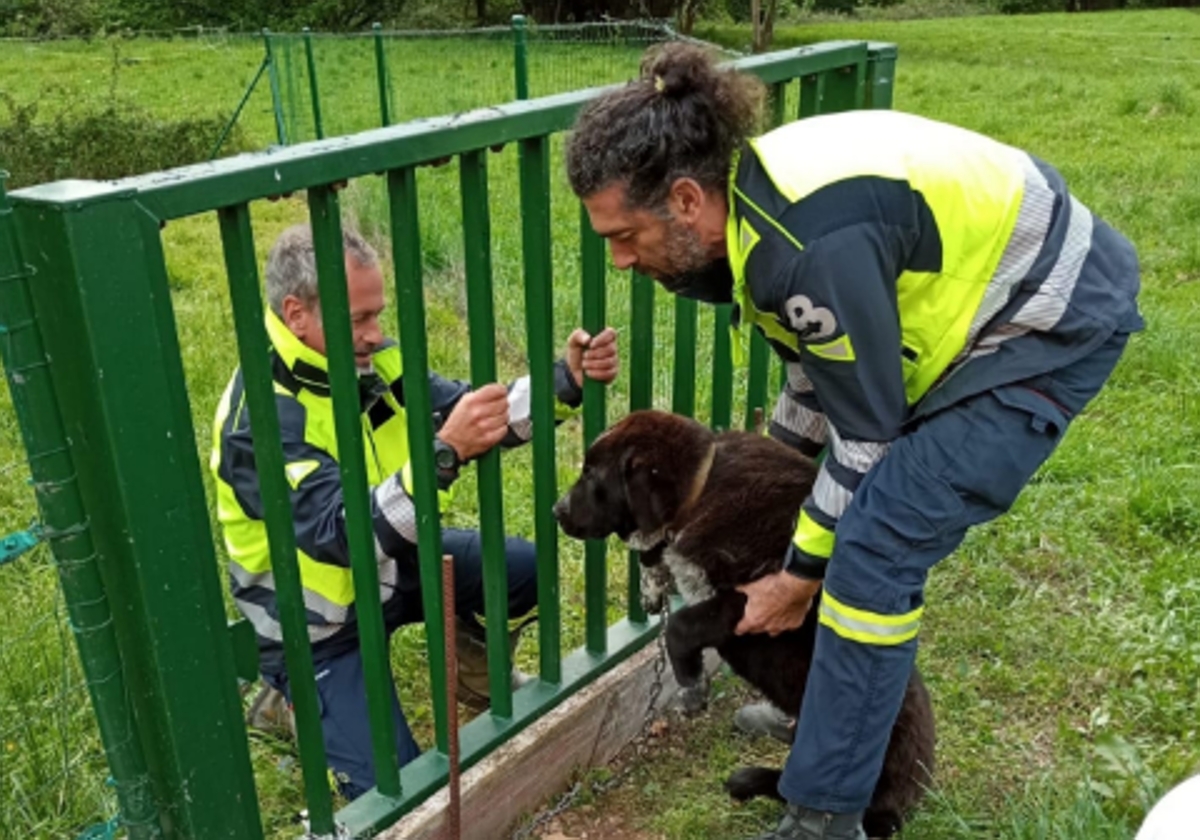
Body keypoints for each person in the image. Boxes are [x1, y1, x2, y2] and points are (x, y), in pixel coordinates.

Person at [566, 44, 1142, 840]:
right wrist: (762, 484)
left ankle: (830, 812)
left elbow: (863, 435)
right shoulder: (756, 220)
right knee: (831, 520)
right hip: (991, 311)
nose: (622, 260)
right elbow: (816, 377)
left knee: (872, 547)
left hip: (1047, 322)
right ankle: (837, 713)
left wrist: (798, 574)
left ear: (689, 200)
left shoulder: (802, 250)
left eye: (625, 235)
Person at [210, 223, 619, 800]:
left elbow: (469, 413)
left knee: (525, 570)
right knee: (398, 796)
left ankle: (470, 662)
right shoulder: (262, 420)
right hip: (317, 622)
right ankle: (292, 698)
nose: (376, 335)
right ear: (296, 313)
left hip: (394, 564)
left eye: (377, 314)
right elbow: (339, 536)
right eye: (358, 320)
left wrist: (565, 381)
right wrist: (442, 455)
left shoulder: (372, 359)